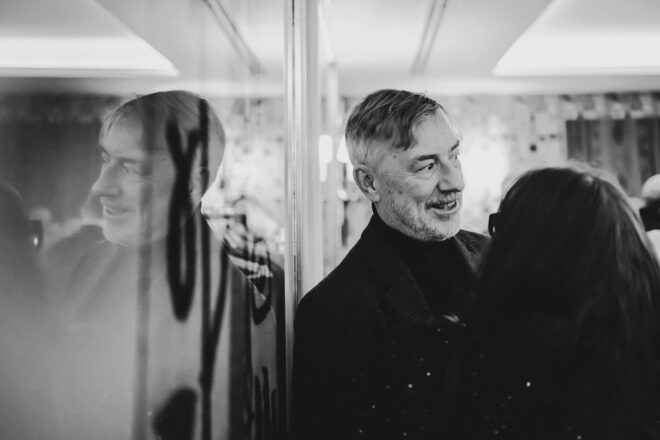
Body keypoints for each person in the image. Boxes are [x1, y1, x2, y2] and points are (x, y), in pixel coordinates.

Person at [357, 166, 660, 439]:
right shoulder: (641, 363)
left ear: (517, 250)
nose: (454, 182)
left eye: (499, 226)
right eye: (426, 165)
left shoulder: (430, 359)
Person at [56, 91, 279, 440]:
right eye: (105, 159)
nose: (100, 187)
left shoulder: (231, 305)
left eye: (132, 168)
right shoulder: (92, 262)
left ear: (194, 183)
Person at [291, 89, 488, 438]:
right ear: (369, 183)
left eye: (454, 157)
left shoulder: (492, 255)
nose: (456, 182)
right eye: (427, 166)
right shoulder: (334, 312)